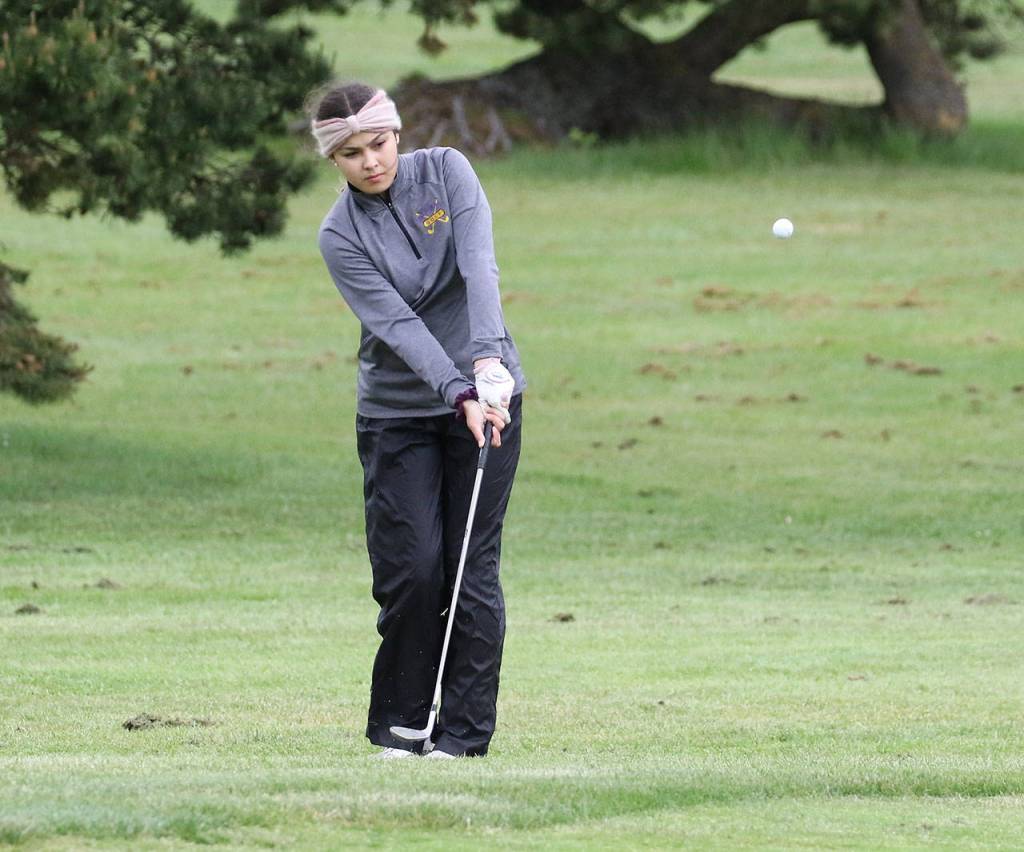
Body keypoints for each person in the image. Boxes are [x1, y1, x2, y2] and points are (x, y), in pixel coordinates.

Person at [311, 83, 526, 759]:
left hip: (489, 398)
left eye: (377, 144)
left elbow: (478, 266)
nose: (370, 162)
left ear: (396, 133)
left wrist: (487, 364)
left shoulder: (447, 173)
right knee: (415, 570)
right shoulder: (339, 235)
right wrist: (454, 389)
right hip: (398, 413)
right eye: (350, 153)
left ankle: (461, 740)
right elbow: (397, 325)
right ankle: (400, 728)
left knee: (470, 569)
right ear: (335, 161)